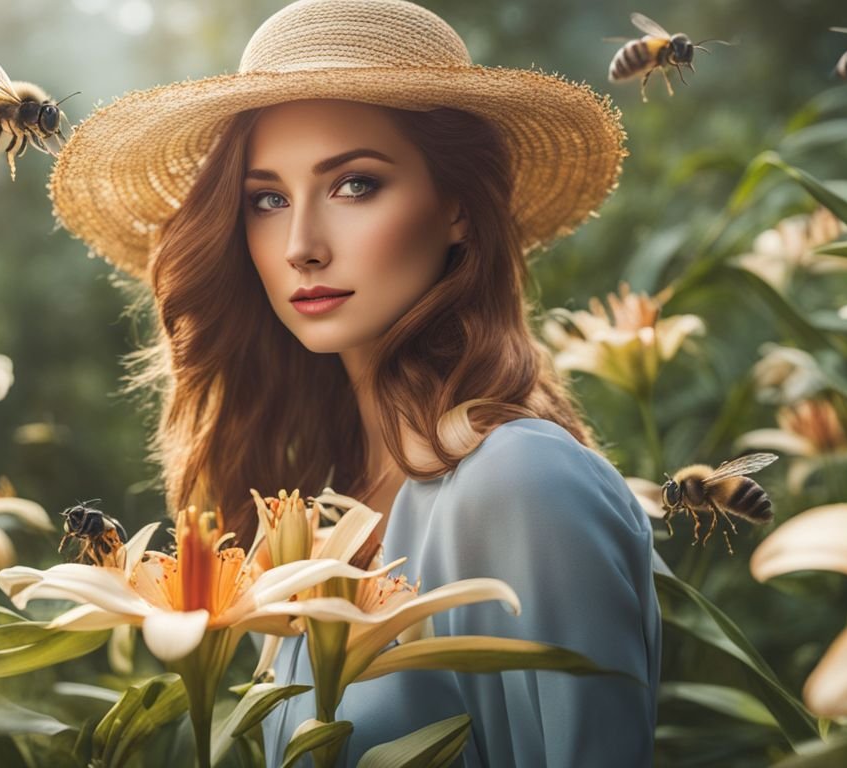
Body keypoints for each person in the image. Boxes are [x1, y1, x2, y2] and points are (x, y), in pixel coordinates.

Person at [48, 0, 660, 764]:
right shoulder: (316, 506)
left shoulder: (522, 480)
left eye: (355, 185)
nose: (301, 245)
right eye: (267, 200)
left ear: (459, 210)